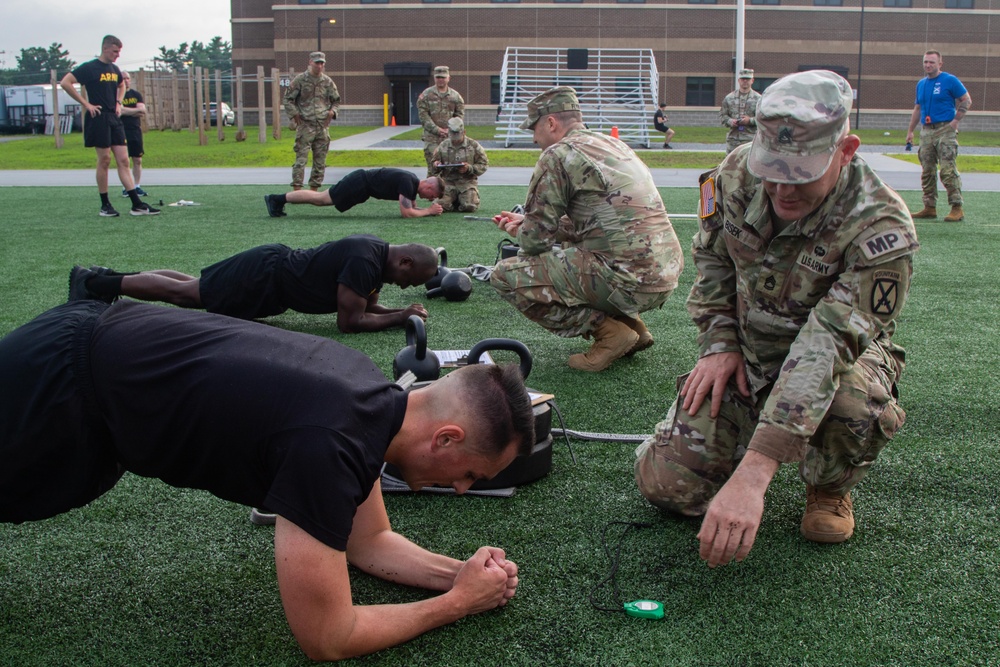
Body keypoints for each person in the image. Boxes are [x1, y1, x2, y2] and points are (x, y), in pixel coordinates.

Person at [0, 298, 535, 661]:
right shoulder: (331, 444)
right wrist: (457, 605)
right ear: (444, 438)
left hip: (86, 344)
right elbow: (327, 637)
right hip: (57, 391)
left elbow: (369, 541)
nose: (464, 489)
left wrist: (457, 575)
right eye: (469, 474)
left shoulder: (369, 396)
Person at [634, 70, 920, 568]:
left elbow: (827, 345)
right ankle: (721, 437)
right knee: (668, 489)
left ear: (846, 149)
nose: (782, 191)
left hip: (837, 357)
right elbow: (714, 259)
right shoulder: (734, 175)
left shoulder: (880, 225)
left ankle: (828, 485)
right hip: (748, 348)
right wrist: (720, 343)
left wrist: (757, 469)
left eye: (801, 174)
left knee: (854, 403)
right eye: (772, 170)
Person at [489, 86, 684, 373]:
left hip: (627, 279)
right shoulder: (613, 145)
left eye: (534, 128)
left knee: (504, 275)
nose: (533, 137)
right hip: (664, 273)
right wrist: (541, 226)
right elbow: (605, 219)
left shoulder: (557, 154)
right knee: (577, 253)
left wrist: (523, 229)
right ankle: (634, 328)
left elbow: (534, 244)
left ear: (551, 123)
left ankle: (609, 334)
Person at [68, 234, 438, 333]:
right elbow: (350, 322)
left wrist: (401, 313)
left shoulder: (373, 259)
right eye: (410, 281)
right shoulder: (364, 260)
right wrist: (398, 316)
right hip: (263, 277)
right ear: (404, 261)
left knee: (193, 287)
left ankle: (104, 277)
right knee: (185, 295)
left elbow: (367, 307)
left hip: (269, 272)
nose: (406, 288)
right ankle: (95, 283)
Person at [59, 35, 159, 217]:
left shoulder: (114, 69)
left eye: (119, 52)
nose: (117, 55)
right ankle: (105, 205)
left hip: (113, 118)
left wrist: (118, 103)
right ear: (105, 49)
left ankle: (136, 204)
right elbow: (66, 82)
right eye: (115, 51)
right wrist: (86, 104)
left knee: (123, 160)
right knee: (104, 159)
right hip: (97, 118)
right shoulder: (89, 68)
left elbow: (121, 86)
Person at [905, 50, 972, 222]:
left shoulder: (949, 80)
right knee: (927, 170)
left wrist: (956, 121)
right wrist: (910, 131)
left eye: (932, 62)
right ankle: (929, 207)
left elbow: (966, 100)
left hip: (945, 129)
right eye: (926, 62)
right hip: (927, 130)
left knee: (947, 169)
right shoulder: (921, 84)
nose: (928, 65)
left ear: (940, 64)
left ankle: (956, 207)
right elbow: (917, 109)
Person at [264, 168, 444, 218]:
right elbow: (406, 213)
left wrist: (428, 211)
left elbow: (413, 208)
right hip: (358, 183)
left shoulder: (411, 184)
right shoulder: (408, 181)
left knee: (321, 199)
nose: (430, 198)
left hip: (361, 187)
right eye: (432, 195)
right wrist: (429, 211)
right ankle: (276, 199)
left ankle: (277, 200)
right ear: (428, 187)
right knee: (321, 199)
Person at [284, 51, 341, 191]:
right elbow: (288, 99)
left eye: (322, 63)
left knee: (320, 160)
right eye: (317, 63)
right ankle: (297, 188)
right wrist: (294, 113)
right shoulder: (300, 80)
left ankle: (314, 189)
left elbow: (336, 100)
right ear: (310, 62)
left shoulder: (327, 82)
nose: (319, 66)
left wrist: (332, 112)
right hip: (305, 125)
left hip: (322, 126)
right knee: (301, 159)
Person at [431, 117, 489, 213]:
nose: (455, 138)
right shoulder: (443, 145)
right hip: (448, 183)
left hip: (466, 183)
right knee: (439, 206)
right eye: (453, 134)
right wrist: (436, 164)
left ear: (464, 132)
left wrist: (469, 168)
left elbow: (484, 164)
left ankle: (462, 200)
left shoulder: (473, 145)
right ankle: (453, 201)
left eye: (458, 134)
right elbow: (434, 164)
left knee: (469, 206)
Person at [417, 66, 465, 175]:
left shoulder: (455, 96)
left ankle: (448, 192)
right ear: (434, 78)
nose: (440, 80)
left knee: (451, 170)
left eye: (443, 77)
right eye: (438, 77)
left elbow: (459, 116)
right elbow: (423, 116)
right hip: (432, 139)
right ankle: (432, 191)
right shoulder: (426, 95)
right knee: (434, 170)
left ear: (448, 78)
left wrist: (451, 129)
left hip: (451, 138)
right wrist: (437, 130)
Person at [119, 70, 149, 198]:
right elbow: (117, 111)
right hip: (120, 130)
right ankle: (127, 188)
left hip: (135, 130)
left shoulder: (136, 95)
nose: (126, 80)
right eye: (123, 78)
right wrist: (134, 111)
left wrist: (124, 111)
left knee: (137, 159)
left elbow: (142, 111)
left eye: (127, 78)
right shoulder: (116, 96)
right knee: (124, 160)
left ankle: (137, 186)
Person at [719, 68, 761, 154]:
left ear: (752, 80)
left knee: (748, 166)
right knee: (731, 166)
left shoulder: (759, 99)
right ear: (738, 80)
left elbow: (763, 119)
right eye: (742, 79)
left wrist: (750, 120)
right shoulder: (729, 98)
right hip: (733, 140)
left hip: (751, 141)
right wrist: (731, 121)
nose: (745, 81)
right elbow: (723, 116)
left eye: (747, 79)